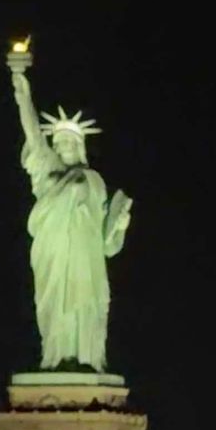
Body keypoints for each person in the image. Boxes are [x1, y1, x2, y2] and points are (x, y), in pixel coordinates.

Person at [11, 70, 132, 371]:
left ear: (79, 146)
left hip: (85, 256)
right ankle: (54, 358)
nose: (63, 146)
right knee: (54, 304)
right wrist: (23, 95)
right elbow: (33, 135)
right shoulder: (47, 170)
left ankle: (88, 360)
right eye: (59, 141)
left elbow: (106, 244)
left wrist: (119, 227)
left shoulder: (94, 181)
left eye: (69, 141)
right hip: (53, 250)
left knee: (85, 304)